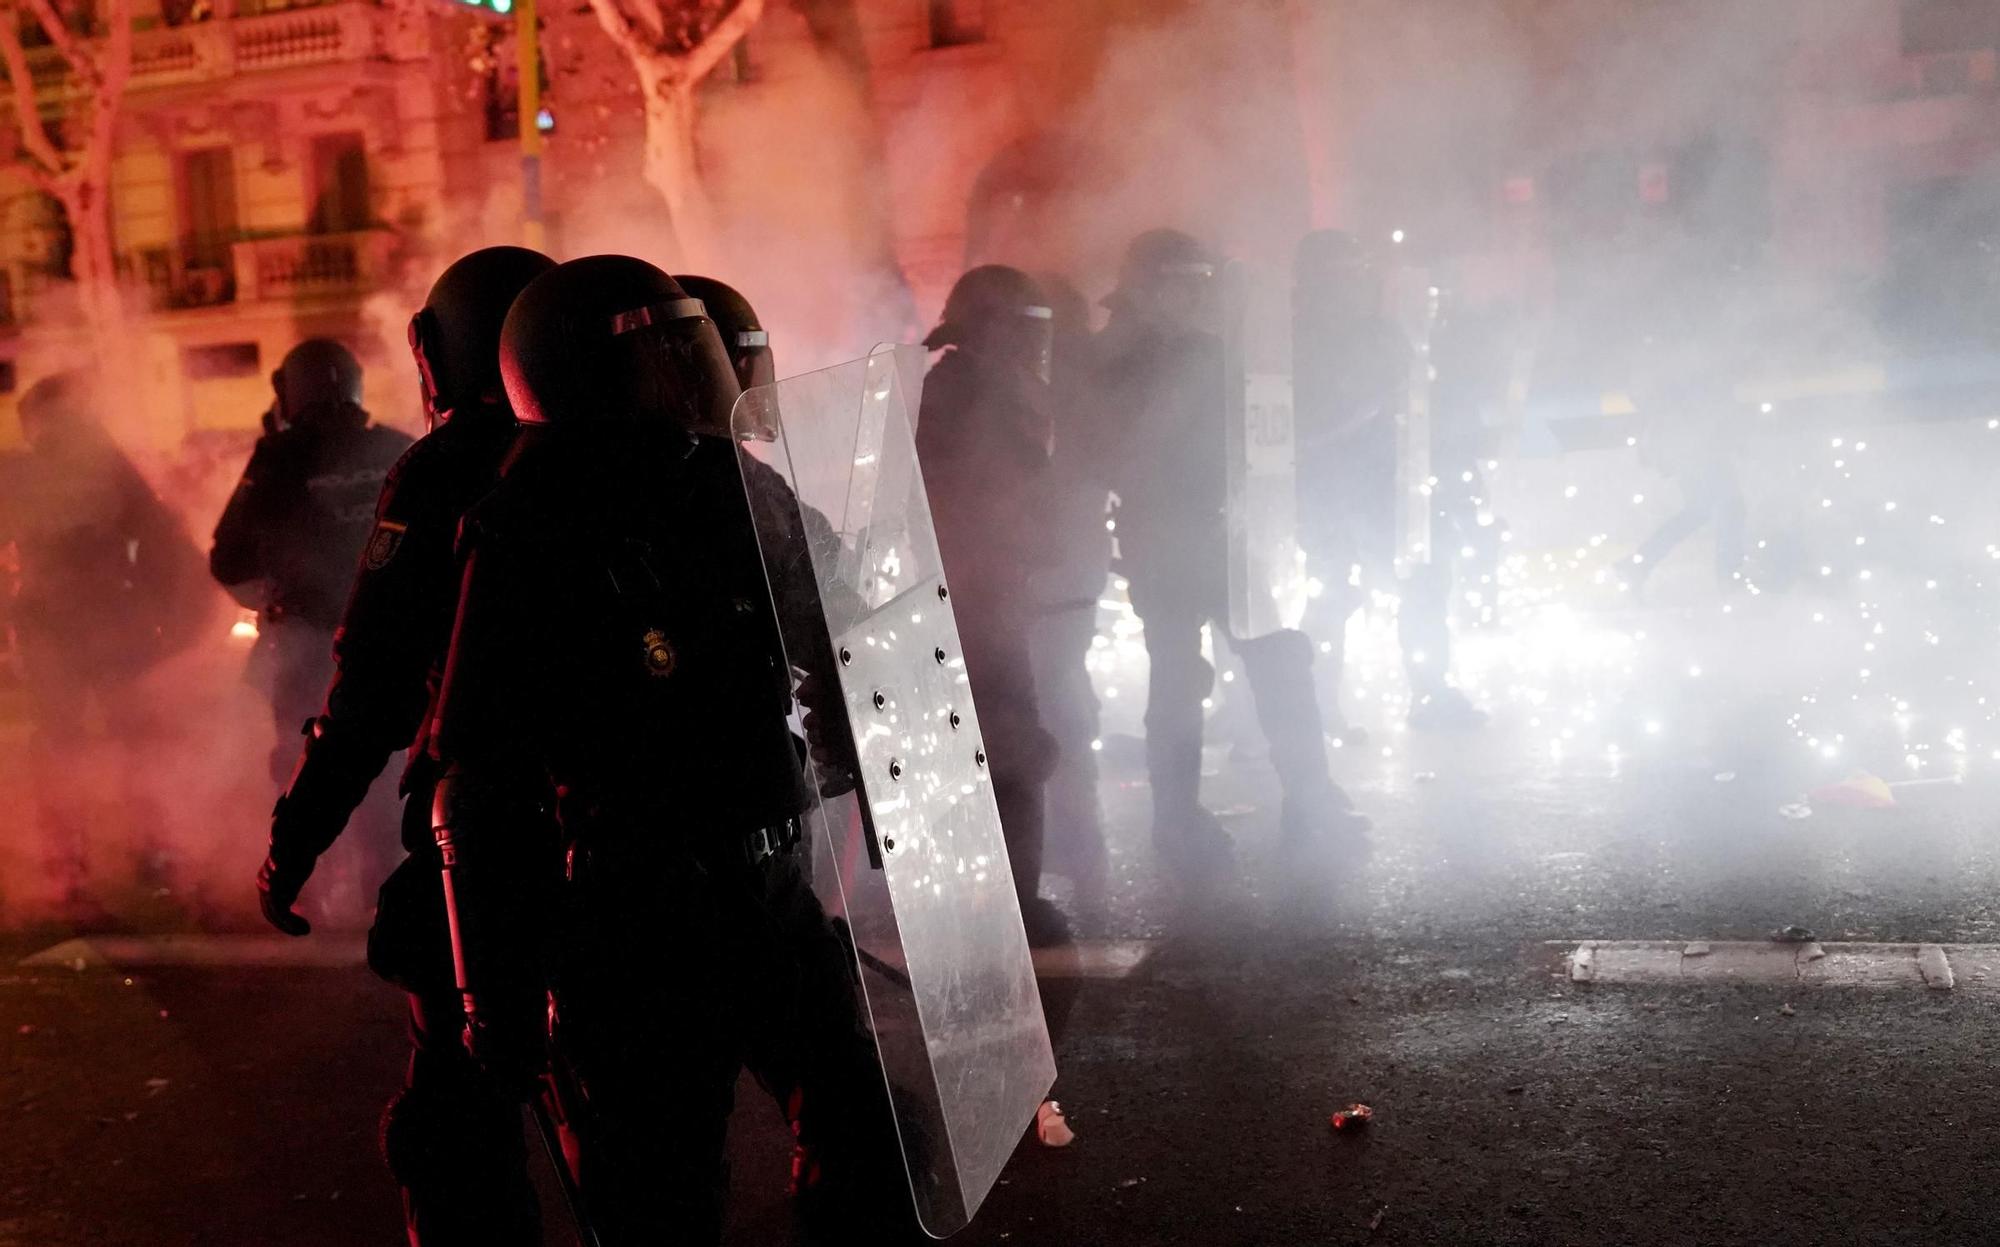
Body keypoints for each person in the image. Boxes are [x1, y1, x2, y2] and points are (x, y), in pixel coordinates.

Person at [428, 255, 908, 1244]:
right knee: (661, 1198)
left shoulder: (734, 487)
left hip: (768, 893)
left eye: (691, 344)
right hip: (630, 923)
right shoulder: (526, 527)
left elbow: (845, 629)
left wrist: (879, 732)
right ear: (584, 373)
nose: (695, 372)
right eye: (666, 350)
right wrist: (495, 997)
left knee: (869, 1144)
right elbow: (477, 781)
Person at [250, 247, 556, 1244]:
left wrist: (292, 843)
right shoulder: (677, 458)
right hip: (667, 862)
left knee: (456, 1131)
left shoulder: (444, 471)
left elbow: (371, 692)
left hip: (493, 862)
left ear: (443, 351)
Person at [1095, 229, 1368, 883]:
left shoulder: (1179, 354)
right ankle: (1219, 814)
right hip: (1184, 539)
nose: (1197, 296)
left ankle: (1278, 804)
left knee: (1244, 668)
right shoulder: (1146, 361)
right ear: (1154, 288)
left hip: (1207, 536)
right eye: (1186, 283)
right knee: (1229, 671)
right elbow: (1126, 448)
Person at [0, 371, 207, 912]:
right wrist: (171, 616)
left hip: (53, 624)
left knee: (61, 742)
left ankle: (69, 867)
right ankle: (151, 851)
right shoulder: (110, 468)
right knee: (134, 736)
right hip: (112, 617)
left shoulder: (20, 470)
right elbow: (164, 539)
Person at [915, 264, 1070, 944]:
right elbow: (979, 490)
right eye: (1024, 329)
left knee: (1009, 737)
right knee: (1009, 739)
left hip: (997, 583)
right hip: (981, 590)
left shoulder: (991, 385)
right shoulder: (963, 387)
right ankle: (1012, 902)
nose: (1036, 344)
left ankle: (1005, 894)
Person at [1292, 229, 1485, 733]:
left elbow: (1418, 408)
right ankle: (1318, 705)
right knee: (1333, 592)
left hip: (1387, 484)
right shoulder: (1293, 338)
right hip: (1325, 487)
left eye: (1354, 273)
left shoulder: (1380, 331)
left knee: (1422, 579)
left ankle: (1429, 690)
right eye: (1337, 275)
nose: (1349, 285)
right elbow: (1307, 420)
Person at [209, 339, 413, 814]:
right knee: (386, 788)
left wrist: (274, 600)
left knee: (307, 779)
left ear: (290, 392)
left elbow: (228, 560)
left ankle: (313, 881)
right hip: (396, 654)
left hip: (309, 657)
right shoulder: (399, 449)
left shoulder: (277, 459)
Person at [1027, 273, 1113, 902]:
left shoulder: (1054, 394)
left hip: (1051, 580)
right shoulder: (1073, 389)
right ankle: (1076, 843)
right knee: (1062, 703)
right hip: (1063, 577)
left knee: (1053, 704)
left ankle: (1074, 843)